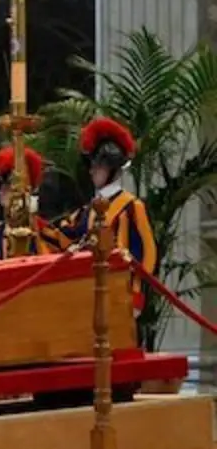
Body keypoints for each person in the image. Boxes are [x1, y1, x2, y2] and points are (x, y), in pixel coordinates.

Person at [43, 116, 157, 313]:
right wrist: (35, 222)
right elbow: (64, 235)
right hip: (90, 293)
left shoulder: (131, 207)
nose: (91, 171)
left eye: (97, 166)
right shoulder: (88, 211)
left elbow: (148, 254)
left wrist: (135, 290)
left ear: (112, 169)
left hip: (122, 295)